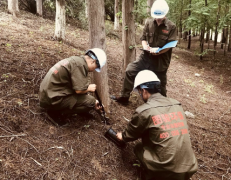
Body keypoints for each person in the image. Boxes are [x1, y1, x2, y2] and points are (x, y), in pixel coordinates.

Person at [116, 70, 198, 180]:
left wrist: (122, 136)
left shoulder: (144, 111)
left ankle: (150, 175)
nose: (140, 95)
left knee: (138, 148)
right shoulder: (177, 104)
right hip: (189, 167)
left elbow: (130, 135)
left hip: (166, 170)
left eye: (139, 92)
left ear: (144, 91)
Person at [111, 0, 177, 104]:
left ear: (165, 14)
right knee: (130, 70)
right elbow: (143, 38)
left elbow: (171, 45)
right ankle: (124, 97)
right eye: (156, 16)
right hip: (146, 58)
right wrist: (145, 46)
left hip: (161, 61)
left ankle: (162, 105)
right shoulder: (149, 23)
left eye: (160, 16)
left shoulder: (171, 27)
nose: (158, 19)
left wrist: (159, 51)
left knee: (160, 85)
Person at [39, 48, 106, 125]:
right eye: (96, 67)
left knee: (90, 101)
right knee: (90, 102)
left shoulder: (78, 61)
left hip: (48, 93)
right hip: (52, 98)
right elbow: (79, 90)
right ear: (93, 61)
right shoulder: (80, 65)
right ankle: (54, 112)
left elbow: (78, 85)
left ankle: (71, 109)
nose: (94, 70)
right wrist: (89, 89)